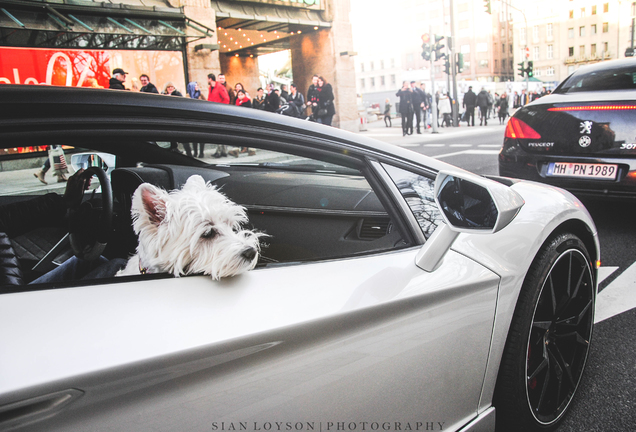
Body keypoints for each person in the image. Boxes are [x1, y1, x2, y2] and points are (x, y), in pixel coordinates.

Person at [1, 169, 127, 285]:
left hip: (13, 287)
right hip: (14, 299)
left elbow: (8, 217)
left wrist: (64, 202)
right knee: (119, 266)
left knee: (91, 261)